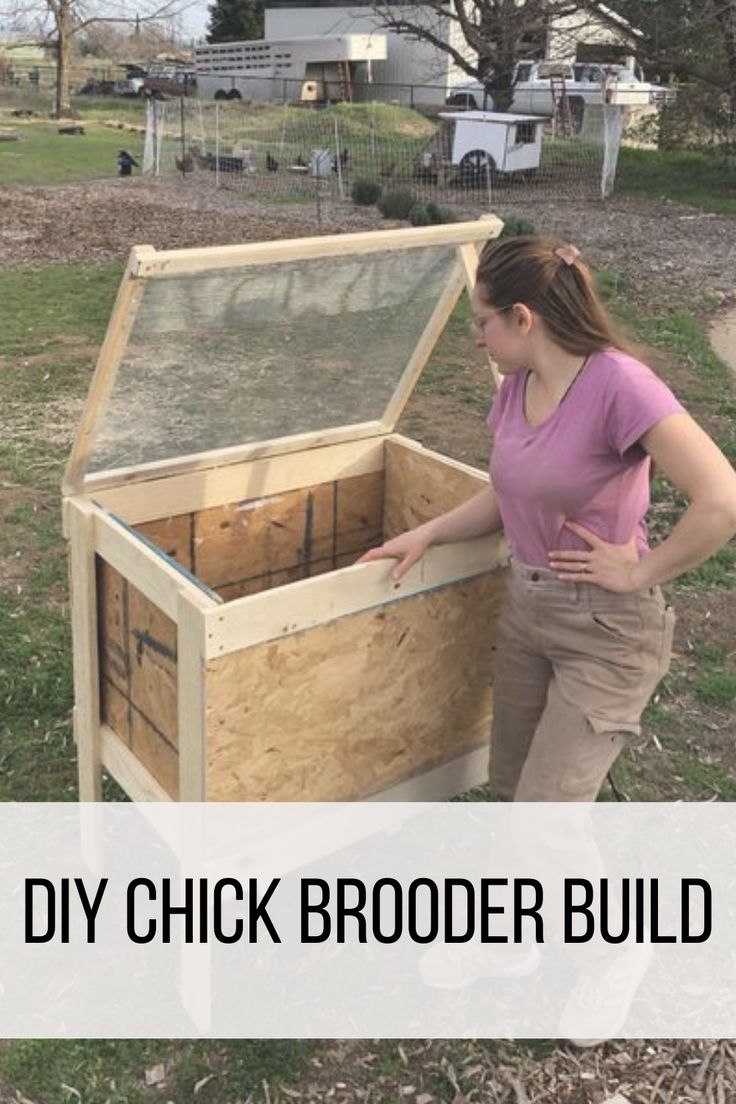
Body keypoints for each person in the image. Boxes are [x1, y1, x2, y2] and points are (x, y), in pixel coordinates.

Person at [359, 235, 736, 1041]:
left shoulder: (621, 387)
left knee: (545, 821)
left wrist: (640, 571)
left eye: (484, 322)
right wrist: (426, 534)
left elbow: (721, 499)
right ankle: (516, 945)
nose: (478, 337)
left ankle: (615, 956)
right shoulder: (517, 386)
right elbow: (505, 497)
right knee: (511, 792)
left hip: (607, 630)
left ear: (524, 318)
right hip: (528, 610)